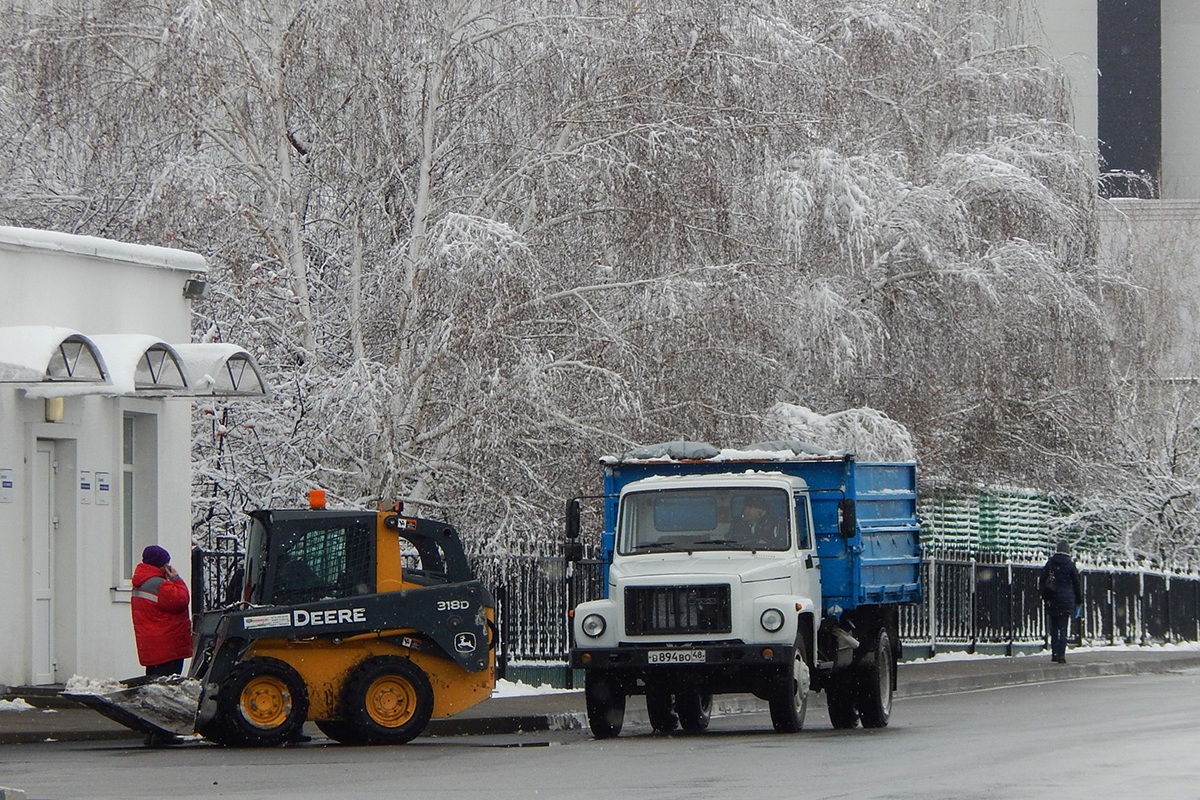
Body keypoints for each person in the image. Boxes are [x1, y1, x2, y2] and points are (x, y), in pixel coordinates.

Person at [131, 545, 193, 678]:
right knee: (167, 684)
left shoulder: (140, 582)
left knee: (154, 682)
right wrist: (176, 579)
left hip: (152, 646)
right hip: (168, 648)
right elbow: (181, 600)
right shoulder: (159, 584)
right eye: (166, 564)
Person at [1041, 539, 1082, 664]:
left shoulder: (1050, 563)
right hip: (1065, 599)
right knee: (1063, 628)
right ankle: (1061, 655)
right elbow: (1076, 584)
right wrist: (1078, 600)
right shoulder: (1070, 565)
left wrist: (1045, 596)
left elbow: (1042, 580)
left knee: (1054, 628)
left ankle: (1054, 653)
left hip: (1052, 598)